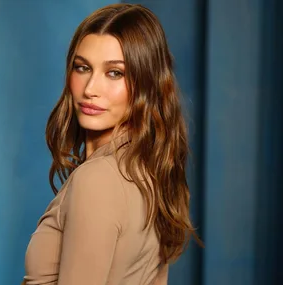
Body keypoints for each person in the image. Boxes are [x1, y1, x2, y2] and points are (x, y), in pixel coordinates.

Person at [22, 3, 201, 285]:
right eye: (82, 68)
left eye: (115, 73)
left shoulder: (97, 180)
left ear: (146, 83)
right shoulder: (155, 171)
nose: (90, 89)